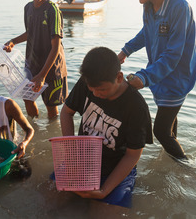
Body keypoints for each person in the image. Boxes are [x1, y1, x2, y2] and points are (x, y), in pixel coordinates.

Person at [117, 0, 196, 160]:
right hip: (160, 74)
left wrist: (144, 77)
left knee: (160, 131)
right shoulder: (149, 5)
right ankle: (171, 164)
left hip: (177, 76)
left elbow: (173, 55)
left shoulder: (179, 8)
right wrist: (126, 51)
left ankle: (188, 171)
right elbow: (147, 32)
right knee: (169, 127)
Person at [60, 47, 153, 208]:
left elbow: (132, 155)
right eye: (92, 89)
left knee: (105, 211)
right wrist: (72, 153)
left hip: (116, 170)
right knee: (52, 203)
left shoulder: (136, 107)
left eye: (102, 89)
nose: (95, 94)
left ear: (119, 77)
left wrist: (104, 190)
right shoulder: (87, 82)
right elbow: (66, 113)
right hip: (83, 162)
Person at [3, 0, 68, 119]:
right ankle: (35, 129)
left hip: (51, 70)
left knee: (51, 107)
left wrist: (42, 75)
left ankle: (51, 136)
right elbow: (30, 32)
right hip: (33, 64)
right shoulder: (28, 8)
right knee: (27, 97)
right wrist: (13, 41)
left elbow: (56, 46)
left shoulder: (53, 10)